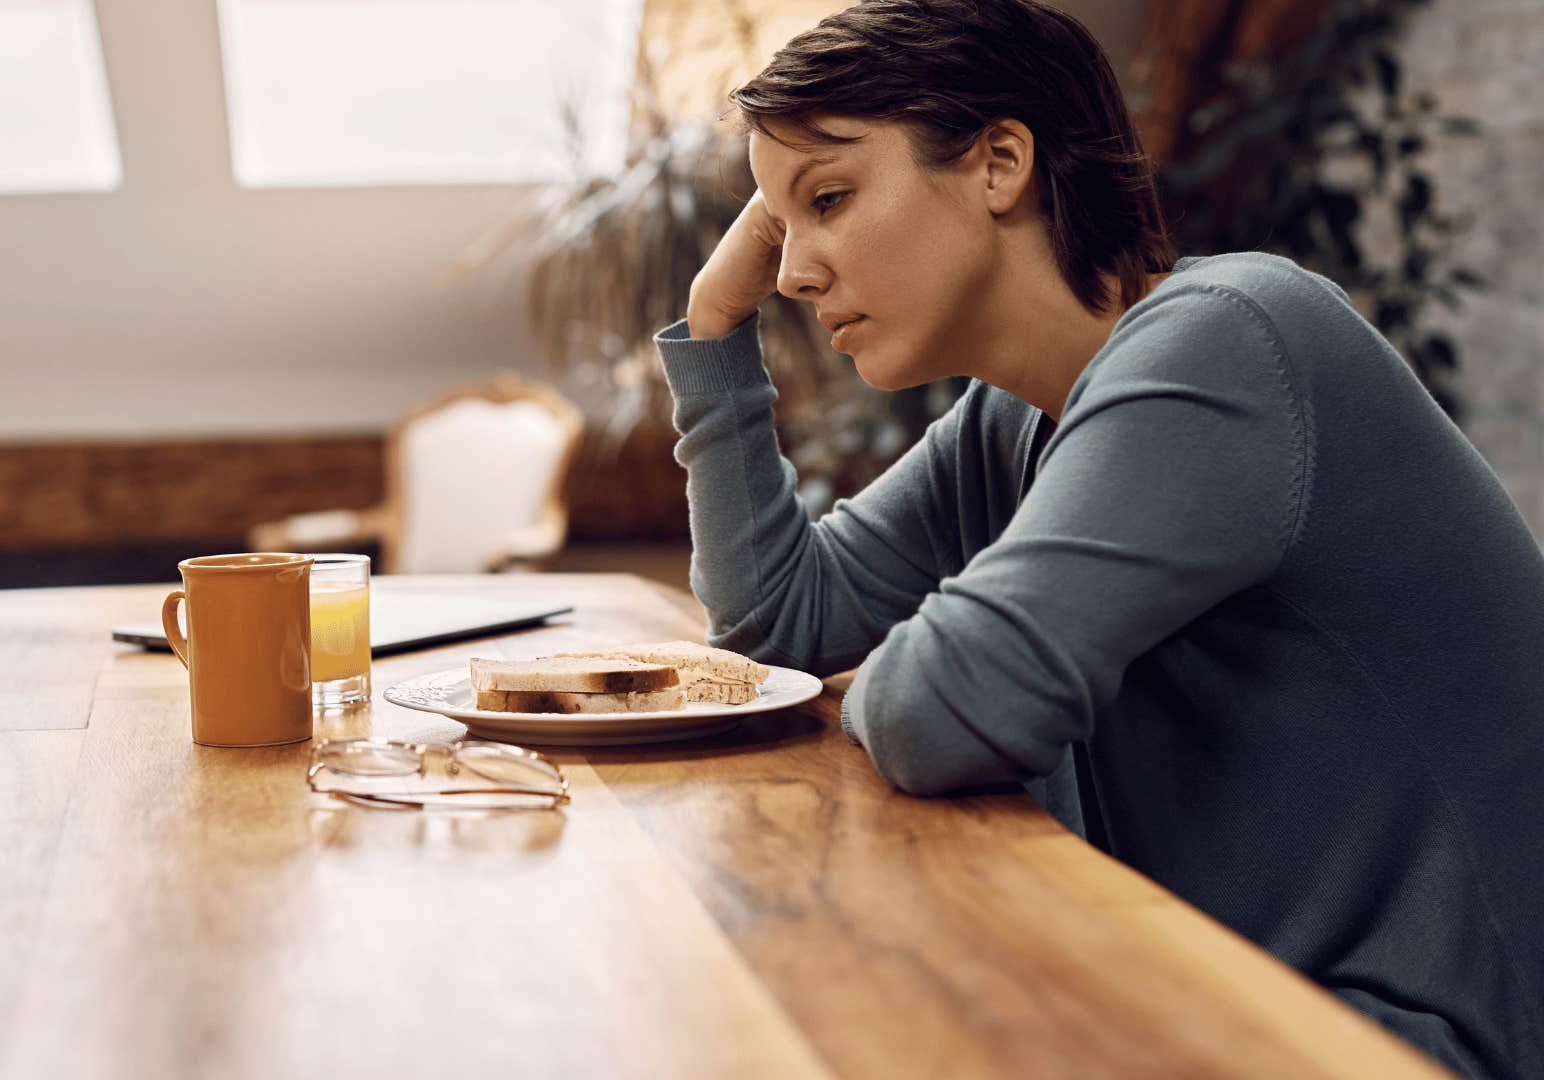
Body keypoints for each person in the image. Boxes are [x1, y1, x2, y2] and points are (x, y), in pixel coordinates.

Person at [650, 2, 1544, 1077]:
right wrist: (713, 328)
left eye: (830, 199)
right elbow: (771, 627)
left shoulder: (1235, 339)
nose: (793, 272)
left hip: (1407, 1038)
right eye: (779, 226)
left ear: (1000, 162)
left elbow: (951, 711)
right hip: (1224, 991)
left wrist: (938, 661)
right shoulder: (1010, 422)